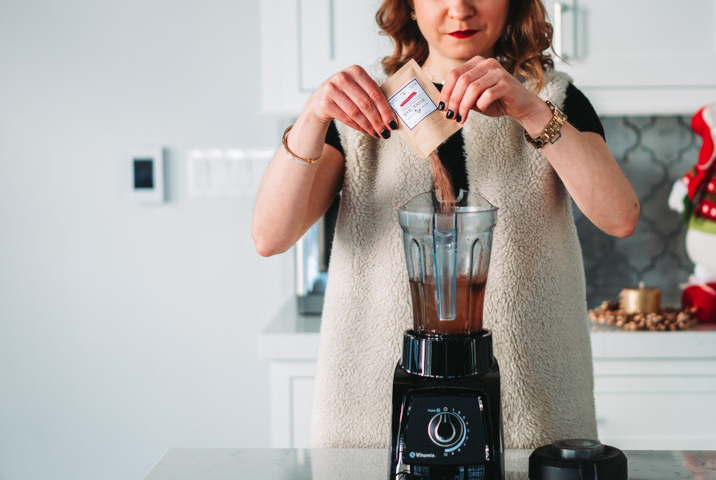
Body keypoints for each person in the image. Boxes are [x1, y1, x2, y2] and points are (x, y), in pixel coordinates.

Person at [251, 0, 640, 449]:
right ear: (409, 7)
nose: (460, 9)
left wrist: (530, 110)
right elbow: (270, 236)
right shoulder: (364, 111)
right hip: (373, 415)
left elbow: (619, 218)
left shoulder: (551, 99)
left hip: (531, 411)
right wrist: (313, 115)